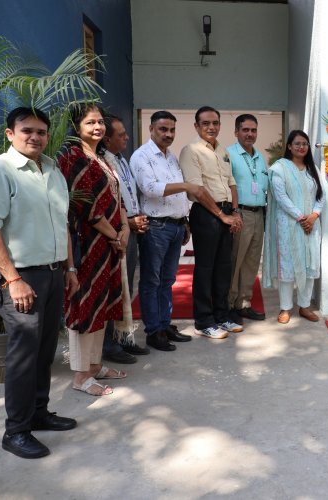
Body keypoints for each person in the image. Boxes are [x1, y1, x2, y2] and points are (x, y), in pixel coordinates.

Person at [0, 107, 78, 458]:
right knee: (24, 356)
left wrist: (69, 270)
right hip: (21, 277)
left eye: (41, 131)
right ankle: (16, 431)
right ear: (10, 134)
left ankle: (39, 413)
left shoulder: (53, 169)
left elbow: (63, 224)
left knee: (44, 351)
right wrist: (13, 279)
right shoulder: (0, 169)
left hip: (54, 272)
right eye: (27, 131)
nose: (35, 137)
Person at [58, 104, 132, 397]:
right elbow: (86, 206)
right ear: (77, 127)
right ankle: (80, 375)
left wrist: (124, 229)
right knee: (85, 305)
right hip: (87, 244)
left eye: (100, 122)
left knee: (102, 304)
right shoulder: (72, 157)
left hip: (110, 243)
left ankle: (95, 365)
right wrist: (115, 234)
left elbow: (118, 197)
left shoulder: (102, 158)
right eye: (90, 123)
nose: (98, 127)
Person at [130, 111, 210, 352]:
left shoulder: (171, 157)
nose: (168, 134)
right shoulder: (141, 156)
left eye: (172, 130)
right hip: (155, 227)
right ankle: (153, 331)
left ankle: (165, 325)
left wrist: (184, 221)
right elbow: (150, 188)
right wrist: (187, 185)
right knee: (151, 281)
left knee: (167, 280)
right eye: (163, 129)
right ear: (151, 130)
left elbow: (176, 195)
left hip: (175, 226)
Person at [179, 106, 243, 339]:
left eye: (215, 123)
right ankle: (204, 321)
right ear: (196, 126)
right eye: (205, 123)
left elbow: (232, 182)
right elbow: (197, 190)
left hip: (226, 211)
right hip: (206, 214)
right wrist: (222, 215)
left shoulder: (222, 151)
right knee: (205, 268)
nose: (211, 127)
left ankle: (221, 316)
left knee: (223, 268)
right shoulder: (191, 150)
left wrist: (234, 212)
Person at [101, 115, 150, 364]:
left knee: (127, 287)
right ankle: (108, 345)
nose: (127, 137)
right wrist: (128, 223)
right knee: (113, 290)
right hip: (116, 232)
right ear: (107, 139)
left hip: (130, 228)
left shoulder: (121, 160)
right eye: (121, 134)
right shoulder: (102, 163)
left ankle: (123, 338)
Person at [262, 130, 324, 324]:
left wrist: (313, 216)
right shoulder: (279, 168)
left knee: (310, 264)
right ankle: (285, 308)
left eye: (304, 143)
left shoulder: (312, 169)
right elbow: (281, 198)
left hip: (311, 225)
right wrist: (301, 218)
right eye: (297, 143)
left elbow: (321, 196)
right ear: (289, 146)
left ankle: (304, 306)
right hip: (288, 224)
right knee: (287, 266)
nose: (301, 147)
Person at [227, 114, 268, 323]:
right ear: (236, 132)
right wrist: (233, 212)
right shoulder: (229, 154)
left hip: (259, 214)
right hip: (240, 213)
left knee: (251, 262)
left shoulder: (260, 158)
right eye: (245, 130)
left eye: (253, 130)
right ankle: (229, 305)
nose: (250, 134)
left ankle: (244, 303)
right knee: (235, 260)